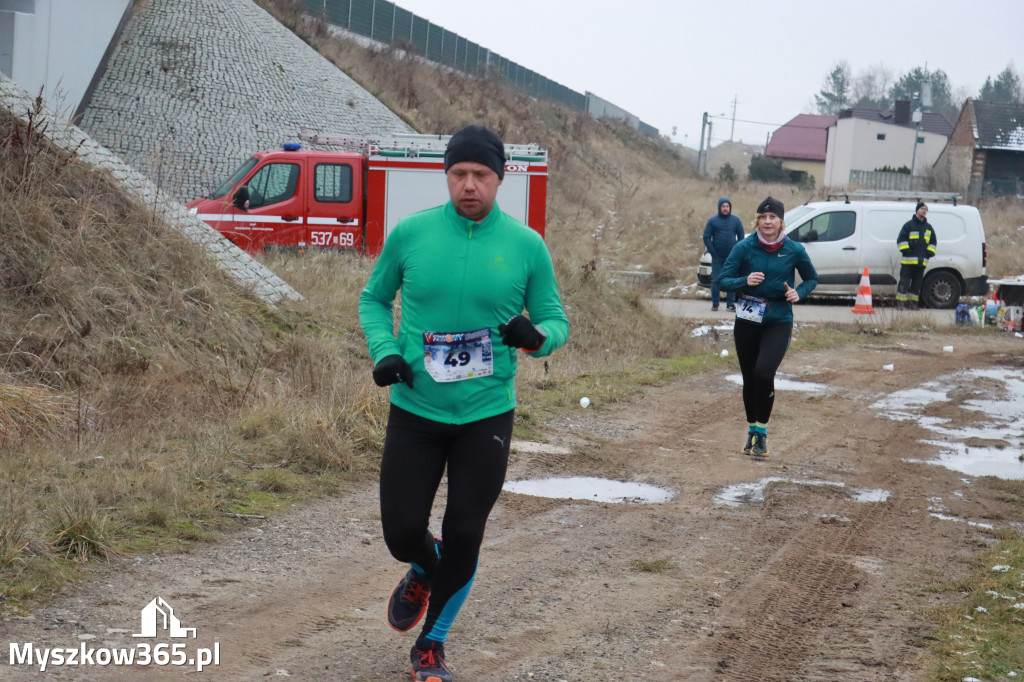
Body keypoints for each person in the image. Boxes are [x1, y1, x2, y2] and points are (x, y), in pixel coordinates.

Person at [358, 124, 570, 682]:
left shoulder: (526, 246)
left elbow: (556, 321)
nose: (469, 185)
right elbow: (374, 299)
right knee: (401, 532)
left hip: (485, 414)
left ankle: (432, 646)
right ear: (446, 176)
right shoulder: (412, 234)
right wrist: (385, 352)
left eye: (480, 175)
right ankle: (423, 568)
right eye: (459, 174)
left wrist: (536, 338)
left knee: (466, 530)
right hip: (416, 408)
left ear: (501, 178)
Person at [719, 196, 817, 459]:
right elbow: (722, 280)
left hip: (778, 319)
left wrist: (799, 293)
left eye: (772, 217)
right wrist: (745, 280)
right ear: (757, 221)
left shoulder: (794, 249)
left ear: (781, 221)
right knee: (750, 378)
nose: (767, 222)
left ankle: (762, 434)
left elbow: (812, 278)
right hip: (748, 318)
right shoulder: (745, 247)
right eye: (763, 217)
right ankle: (752, 430)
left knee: (764, 373)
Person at [703, 197, 745, 312]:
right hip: (718, 257)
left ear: (730, 208)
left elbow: (741, 236)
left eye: (727, 206)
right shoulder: (713, 221)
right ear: (719, 207)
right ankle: (715, 304)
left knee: (730, 280)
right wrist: (713, 252)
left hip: (731, 257)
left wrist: (736, 250)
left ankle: (730, 304)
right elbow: (706, 237)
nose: (725, 208)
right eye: (723, 206)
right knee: (716, 280)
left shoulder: (736, 220)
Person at [896, 201, 937, 309]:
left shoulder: (928, 228)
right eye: (922, 208)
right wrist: (906, 251)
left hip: (921, 261)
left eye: (926, 209)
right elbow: (901, 240)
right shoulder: (908, 225)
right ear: (917, 210)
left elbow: (933, 242)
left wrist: (929, 253)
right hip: (908, 262)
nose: (924, 210)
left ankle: (913, 303)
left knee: (917, 284)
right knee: (904, 282)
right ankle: (900, 303)